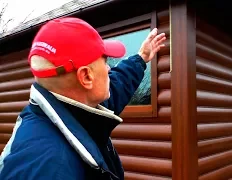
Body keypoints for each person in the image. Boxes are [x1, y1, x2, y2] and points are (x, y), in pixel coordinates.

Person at [0, 17, 166, 180]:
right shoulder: (52, 167)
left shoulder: (67, 110)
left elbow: (115, 87)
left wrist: (141, 58)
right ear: (86, 76)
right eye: (105, 61)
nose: (109, 68)